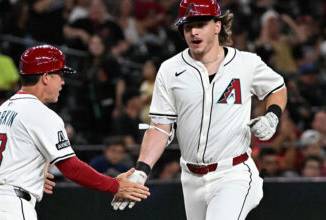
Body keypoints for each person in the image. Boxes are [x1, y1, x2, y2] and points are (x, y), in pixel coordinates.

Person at [111, 1, 287, 220]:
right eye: (187, 26)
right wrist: (141, 170)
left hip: (233, 173)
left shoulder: (245, 63)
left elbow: (277, 88)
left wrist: (272, 117)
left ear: (217, 26)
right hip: (191, 177)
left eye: (201, 24)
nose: (193, 31)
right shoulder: (170, 69)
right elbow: (160, 127)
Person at [0, 45, 150, 220]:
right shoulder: (40, 113)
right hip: (14, 207)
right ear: (45, 77)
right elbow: (71, 168)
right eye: (59, 76)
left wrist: (32, 173)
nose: (62, 82)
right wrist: (115, 185)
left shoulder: (1, 111)